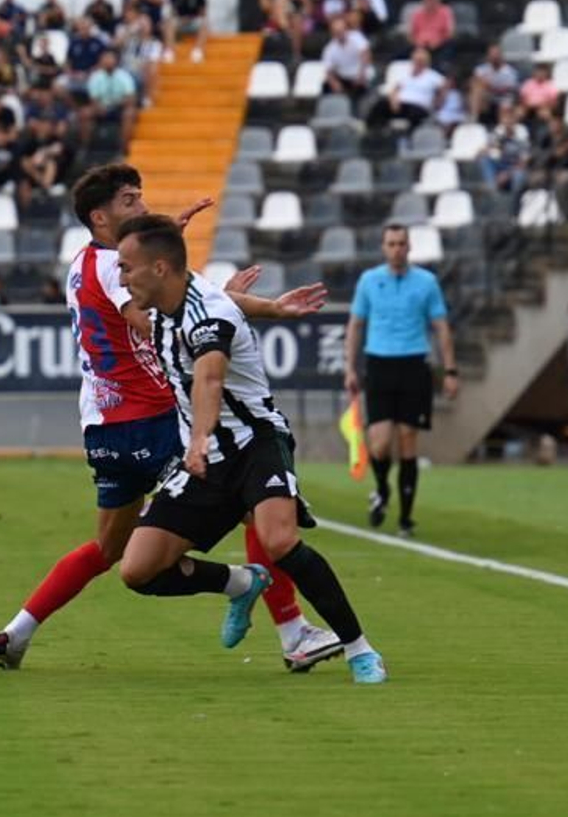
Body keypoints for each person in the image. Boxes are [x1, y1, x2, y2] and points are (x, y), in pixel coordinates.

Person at [0, 164, 342, 674]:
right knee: (254, 505)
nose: (141, 205)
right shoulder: (115, 266)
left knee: (109, 547)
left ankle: (17, 633)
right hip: (154, 419)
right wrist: (234, 302)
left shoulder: (81, 262)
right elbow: (156, 318)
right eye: (130, 201)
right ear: (100, 215)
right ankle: (291, 631)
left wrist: (185, 273)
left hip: (102, 426)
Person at [113, 214, 387, 685]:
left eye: (126, 268)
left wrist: (198, 438)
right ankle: (242, 583)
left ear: (159, 268)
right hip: (206, 462)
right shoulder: (177, 297)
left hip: (255, 442)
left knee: (279, 540)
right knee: (137, 570)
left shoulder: (208, 315)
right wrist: (272, 308)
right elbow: (225, 298)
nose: (121, 278)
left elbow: (210, 378)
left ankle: (360, 650)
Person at [343, 224, 457, 538]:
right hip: (379, 364)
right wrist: (350, 368)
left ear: (409, 247)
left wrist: (450, 370)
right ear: (383, 247)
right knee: (379, 443)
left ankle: (406, 519)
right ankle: (381, 489)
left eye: (401, 243)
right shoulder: (369, 280)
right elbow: (356, 325)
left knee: (408, 439)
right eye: (391, 243)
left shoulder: (426, 282)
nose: (396, 249)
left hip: (413, 364)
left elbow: (441, 327)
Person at [161, 0, 208, 64]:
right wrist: (180, 19)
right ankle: (170, 52)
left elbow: (203, 14)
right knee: (168, 23)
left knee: (204, 23)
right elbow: (172, 12)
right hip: (180, 22)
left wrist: (192, 18)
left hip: (193, 22)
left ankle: (197, 51)